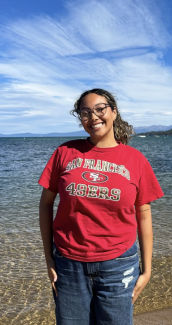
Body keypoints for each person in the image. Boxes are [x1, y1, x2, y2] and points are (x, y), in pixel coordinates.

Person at [39, 88, 164, 325]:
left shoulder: (135, 160)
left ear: (113, 111)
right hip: (68, 262)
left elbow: (144, 216)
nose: (93, 117)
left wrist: (146, 271)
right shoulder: (64, 153)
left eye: (100, 109)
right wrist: (49, 260)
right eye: (85, 113)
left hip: (119, 265)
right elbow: (45, 205)